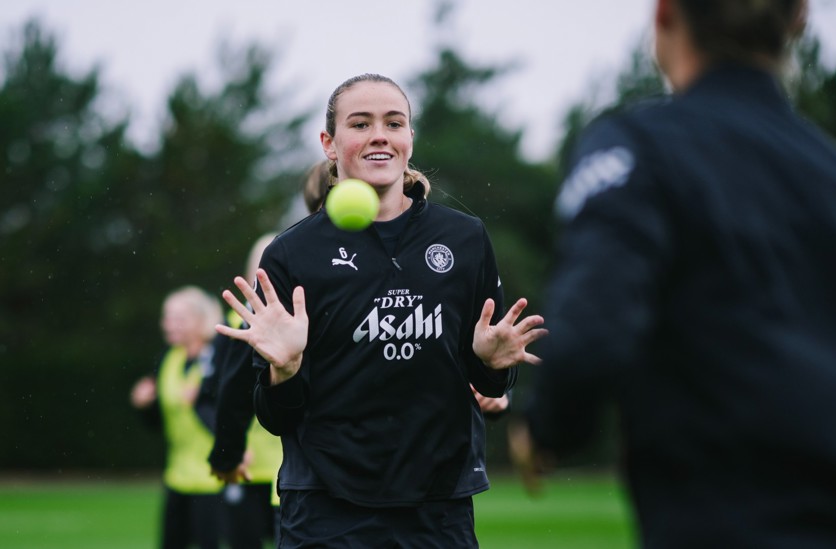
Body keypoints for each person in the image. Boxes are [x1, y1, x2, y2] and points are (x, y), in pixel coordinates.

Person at [514, 0, 836, 547]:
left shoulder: (639, 145)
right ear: (798, 19)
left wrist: (545, 425)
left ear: (663, 15)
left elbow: (590, 331)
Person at [216, 73, 547, 547]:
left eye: (394, 123)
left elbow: (486, 383)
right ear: (330, 143)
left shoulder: (465, 238)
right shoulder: (292, 255)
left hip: (438, 504)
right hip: (324, 505)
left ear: (410, 138)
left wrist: (494, 366)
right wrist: (284, 371)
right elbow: (276, 418)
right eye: (360, 123)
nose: (379, 135)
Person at [130, 286, 226, 549]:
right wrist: (145, 405)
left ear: (200, 320)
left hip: (214, 479)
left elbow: (232, 416)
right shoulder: (167, 359)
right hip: (177, 477)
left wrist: (202, 401)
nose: (168, 324)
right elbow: (158, 423)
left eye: (178, 318)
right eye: (166, 317)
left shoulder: (219, 357)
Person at [206, 233, 281, 549]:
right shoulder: (231, 326)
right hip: (248, 462)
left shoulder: (311, 316)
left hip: (293, 463)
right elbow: (220, 392)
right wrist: (230, 449)